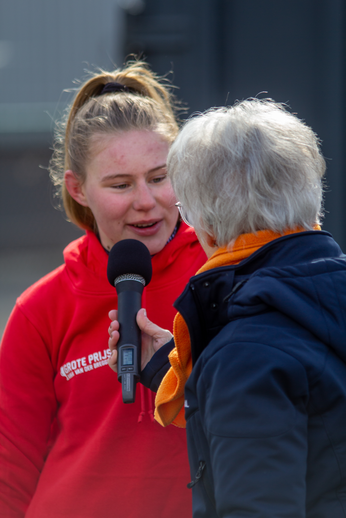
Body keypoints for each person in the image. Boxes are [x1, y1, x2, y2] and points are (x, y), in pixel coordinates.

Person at [109, 98, 346, 517]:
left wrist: (225, 365)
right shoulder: (321, 299)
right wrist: (175, 369)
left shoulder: (245, 357)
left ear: (211, 226)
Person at [0, 61, 207, 518]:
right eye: (120, 184)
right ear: (77, 189)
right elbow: (10, 472)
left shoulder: (223, 274)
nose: (145, 201)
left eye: (159, 176)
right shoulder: (41, 309)